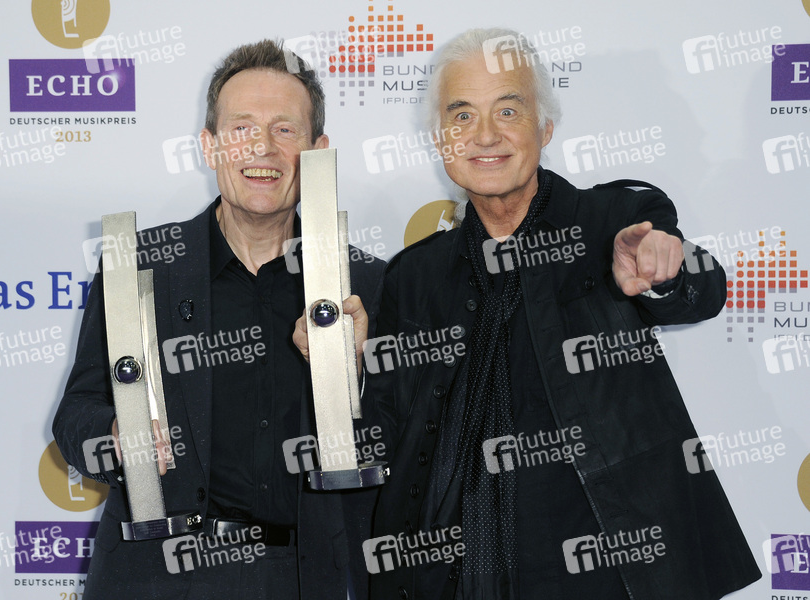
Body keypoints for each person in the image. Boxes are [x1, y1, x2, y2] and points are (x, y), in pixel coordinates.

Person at [297, 28, 762, 599]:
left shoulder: (611, 222)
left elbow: (703, 289)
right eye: (461, 116)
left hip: (600, 572)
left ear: (544, 127)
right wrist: (344, 372)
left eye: (507, 110)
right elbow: (383, 437)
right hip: (446, 576)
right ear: (439, 139)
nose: (484, 135)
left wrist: (665, 268)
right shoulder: (413, 275)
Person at [53, 39, 384, 600]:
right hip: (154, 576)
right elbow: (75, 415)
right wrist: (116, 436)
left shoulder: (365, 286)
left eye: (285, 129)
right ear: (209, 146)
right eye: (241, 128)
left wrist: (358, 379)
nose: (262, 147)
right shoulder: (141, 268)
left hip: (302, 578)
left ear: (318, 151)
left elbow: (402, 445)